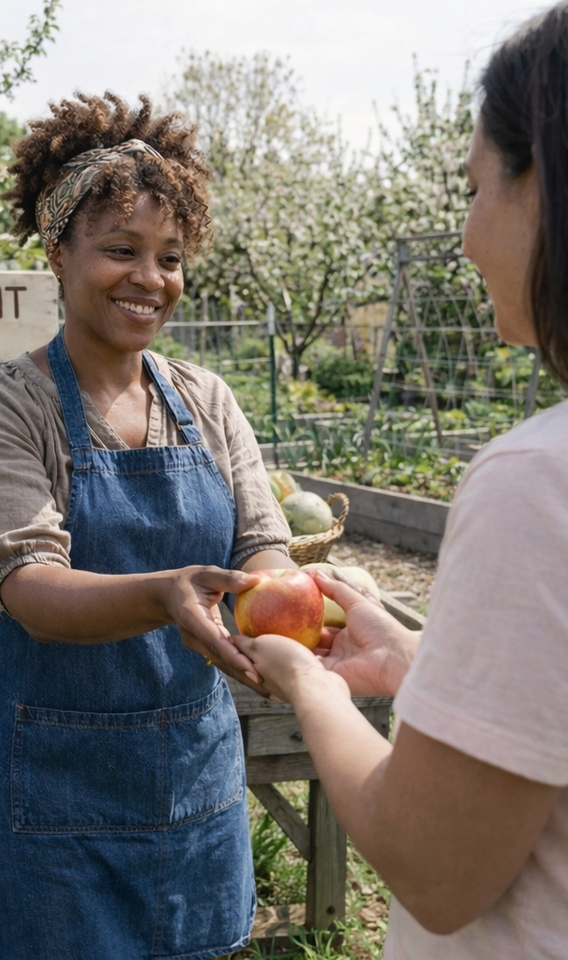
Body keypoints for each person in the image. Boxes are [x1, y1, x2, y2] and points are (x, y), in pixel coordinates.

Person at [234, 5, 568, 958]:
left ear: (544, 176)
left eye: (475, 189)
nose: (464, 239)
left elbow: (434, 868)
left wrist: (311, 689)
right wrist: (428, 671)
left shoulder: (534, 482)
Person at [0, 92, 294, 960]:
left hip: (194, 787)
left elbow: (261, 540)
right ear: (58, 253)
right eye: (121, 251)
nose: (151, 279)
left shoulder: (206, 400)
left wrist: (289, 596)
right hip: (47, 799)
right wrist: (169, 594)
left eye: (171, 257)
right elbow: (32, 593)